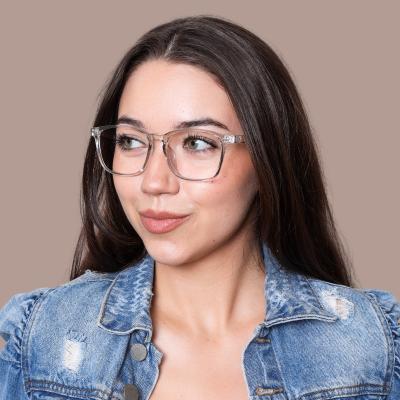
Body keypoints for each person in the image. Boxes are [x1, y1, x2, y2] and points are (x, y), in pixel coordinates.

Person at [0, 14, 399, 400]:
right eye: (131, 141)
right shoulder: (40, 339)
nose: (154, 181)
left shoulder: (373, 350)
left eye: (197, 143)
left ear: (266, 158)